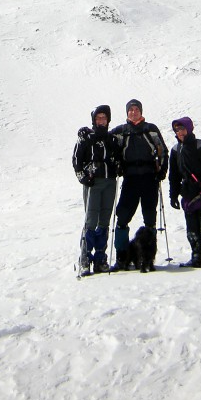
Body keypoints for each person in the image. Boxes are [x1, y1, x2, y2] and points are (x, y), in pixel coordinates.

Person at [110, 99, 168, 271]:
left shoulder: (151, 129)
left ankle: (148, 259)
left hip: (150, 178)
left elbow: (162, 150)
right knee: (122, 217)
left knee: (150, 217)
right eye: (131, 110)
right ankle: (122, 257)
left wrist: (162, 170)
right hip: (131, 179)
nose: (133, 112)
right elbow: (105, 140)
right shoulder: (121, 131)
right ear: (127, 113)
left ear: (141, 112)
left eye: (136, 109)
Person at [168, 116, 201, 268]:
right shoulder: (175, 150)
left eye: (182, 128)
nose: (180, 132)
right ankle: (196, 256)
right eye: (177, 129)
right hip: (188, 195)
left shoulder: (200, 146)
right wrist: (173, 194)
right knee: (192, 229)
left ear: (189, 128)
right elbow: (173, 175)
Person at [72, 104, 121, 275]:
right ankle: (85, 258)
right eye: (98, 118)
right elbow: (76, 159)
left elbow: (119, 156)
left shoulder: (112, 138)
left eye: (104, 118)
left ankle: (100, 258)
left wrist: (119, 167)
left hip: (109, 182)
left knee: (105, 219)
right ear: (94, 120)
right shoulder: (86, 137)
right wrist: (82, 177)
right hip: (93, 183)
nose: (101, 121)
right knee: (91, 219)